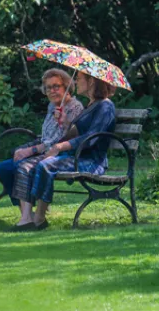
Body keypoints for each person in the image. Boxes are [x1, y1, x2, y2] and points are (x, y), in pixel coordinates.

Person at [17, 71, 118, 228]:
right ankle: (33, 219)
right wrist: (64, 122)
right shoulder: (91, 105)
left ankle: (38, 219)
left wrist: (60, 146)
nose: (76, 83)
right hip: (77, 157)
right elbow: (75, 133)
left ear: (91, 81)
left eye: (79, 79)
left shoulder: (105, 106)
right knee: (39, 163)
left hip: (92, 161)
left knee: (46, 165)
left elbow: (92, 137)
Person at [0, 69, 85, 229]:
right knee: (4, 167)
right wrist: (26, 149)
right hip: (45, 150)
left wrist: (65, 121)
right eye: (48, 87)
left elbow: (72, 136)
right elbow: (46, 138)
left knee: (21, 167)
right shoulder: (52, 106)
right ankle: (26, 214)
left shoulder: (75, 107)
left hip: (61, 153)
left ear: (66, 87)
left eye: (56, 86)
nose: (52, 90)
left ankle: (27, 219)